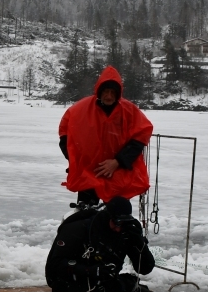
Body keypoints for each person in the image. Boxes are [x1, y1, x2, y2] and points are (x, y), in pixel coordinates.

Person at [45, 197, 160, 292]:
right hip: (74, 285)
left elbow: (145, 268)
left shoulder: (125, 232)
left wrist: (139, 243)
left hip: (107, 283)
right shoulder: (78, 229)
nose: (119, 228)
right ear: (108, 217)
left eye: (123, 223)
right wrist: (91, 271)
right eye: (116, 223)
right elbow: (54, 267)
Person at [58, 65, 153, 209]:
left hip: (117, 173)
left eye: (113, 92)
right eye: (106, 92)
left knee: (116, 216)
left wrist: (118, 161)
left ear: (118, 93)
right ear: (99, 91)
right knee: (85, 215)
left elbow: (141, 137)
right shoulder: (79, 110)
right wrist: (77, 161)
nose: (109, 96)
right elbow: (64, 136)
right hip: (89, 174)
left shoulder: (130, 111)